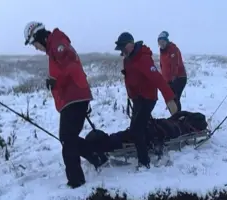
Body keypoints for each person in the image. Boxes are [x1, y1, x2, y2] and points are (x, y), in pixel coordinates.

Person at [23, 21, 107, 188]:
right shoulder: (55, 46)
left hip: (74, 98)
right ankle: (97, 157)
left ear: (39, 37)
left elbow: (71, 67)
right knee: (68, 138)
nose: (35, 48)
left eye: (34, 44)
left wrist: (56, 81)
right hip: (73, 97)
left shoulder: (58, 45)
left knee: (67, 140)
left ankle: (76, 182)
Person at [114, 32, 178, 169]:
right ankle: (153, 144)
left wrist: (169, 99)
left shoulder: (143, 58)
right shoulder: (128, 59)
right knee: (136, 128)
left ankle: (144, 163)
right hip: (137, 98)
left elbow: (158, 79)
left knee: (137, 129)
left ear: (130, 45)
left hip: (148, 98)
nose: (121, 52)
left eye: (123, 48)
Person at [157, 31, 187, 111]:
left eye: (163, 41)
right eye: (159, 42)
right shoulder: (162, 52)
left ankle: (178, 118)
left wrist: (173, 78)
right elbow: (162, 66)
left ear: (167, 41)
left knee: (174, 99)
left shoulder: (173, 49)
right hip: (169, 80)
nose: (161, 44)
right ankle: (175, 117)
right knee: (170, 100)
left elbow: (175, 64)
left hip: (179, 77)